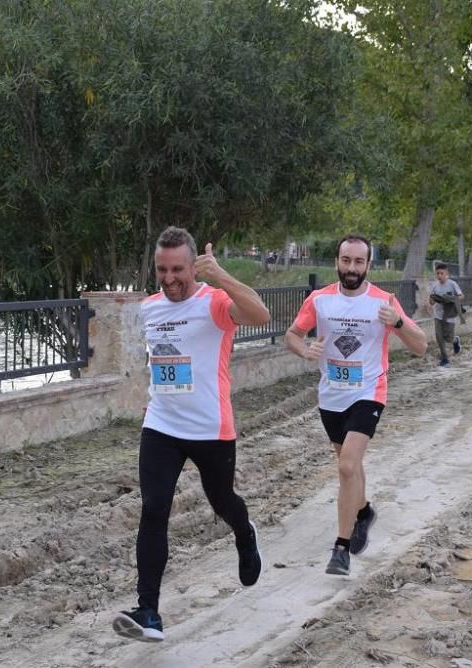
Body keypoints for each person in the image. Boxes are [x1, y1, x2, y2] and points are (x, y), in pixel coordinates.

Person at [113, 227, 270, 643]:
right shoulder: (149, 308)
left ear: (192, 266)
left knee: (222, 502)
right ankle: (148, 612)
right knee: (153, 509)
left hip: (210, 428)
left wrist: (221, 276)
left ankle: (244, 532)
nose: (169, 278)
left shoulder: (215, 303)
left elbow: (261, 315)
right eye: (161, 270)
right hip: (162, 425)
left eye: (178, 269)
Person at [285, 235, 427, 577]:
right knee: (350, 465)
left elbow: (421, 345)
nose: (352, 268)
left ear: (368, 265)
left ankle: (341, 548)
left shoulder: (383, 301)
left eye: (359, 262)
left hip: (368, 393)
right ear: (337, 261)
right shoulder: (319, 300)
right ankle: (363, 512)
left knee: (348, 466)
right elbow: (292, 334)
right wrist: (304, 350)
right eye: (346, 260)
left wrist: (397, 322)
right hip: (331, 396)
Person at [428, 263, 465, 367]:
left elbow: (461, 296)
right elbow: (431, 302)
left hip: (449, 315)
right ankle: (445, 359)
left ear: (446, 273)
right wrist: (432, 299)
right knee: (439, 337)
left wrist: (451, 298)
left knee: (448, 338)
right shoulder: (435, 286)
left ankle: (455, 340)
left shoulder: (452, 284)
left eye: (441, 273)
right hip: (438, 315)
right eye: (437, 273)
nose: (439, 275)